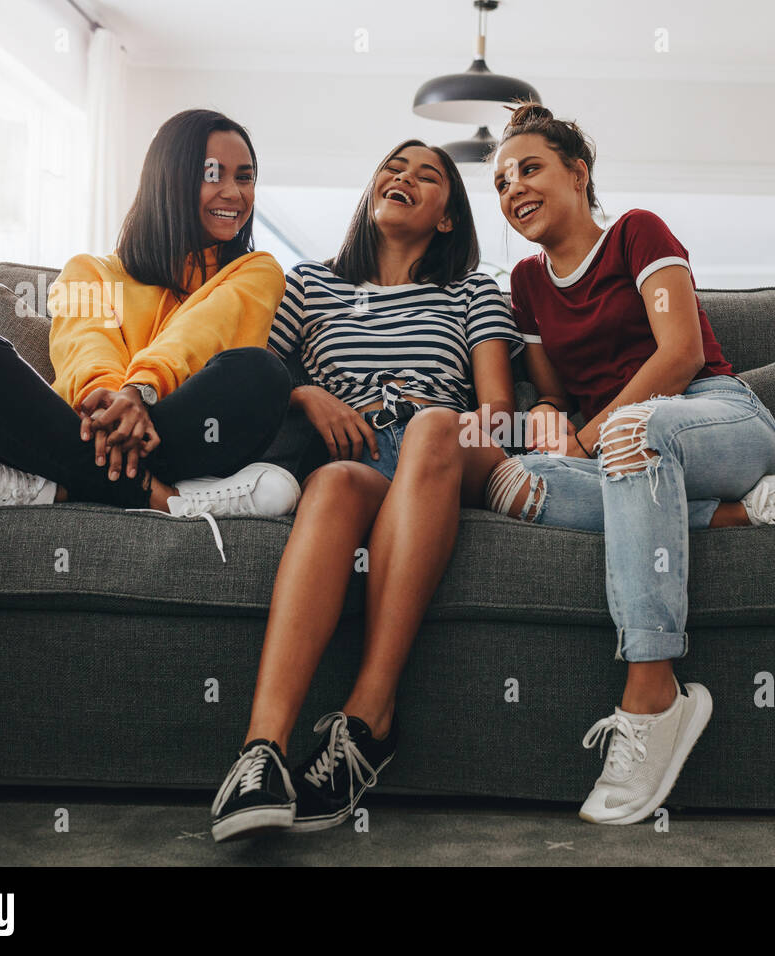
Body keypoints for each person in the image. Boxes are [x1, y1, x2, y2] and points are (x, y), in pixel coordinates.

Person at [483, 103, 775, 824]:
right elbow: (555, 389)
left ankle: (654, 694)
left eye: (529, 168)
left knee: (634, 430)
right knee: (513, 484)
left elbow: (680, 354)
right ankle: (756, 510)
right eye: (501, 181)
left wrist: (588, 437)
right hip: (634, 456)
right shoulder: (527, 284)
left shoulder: (636, 234)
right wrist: (546, 415)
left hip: (720, 418)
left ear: (578, 172)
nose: (514, 189)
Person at [210, 140, 523, 841]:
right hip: (356, 454)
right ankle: (261, 751)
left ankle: (370, 714)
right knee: (329, 486)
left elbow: (498, 410)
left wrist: (434, 424)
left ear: (446, 217)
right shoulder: (309, 284)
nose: (403, 176)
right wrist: (307, 394)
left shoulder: (473, 289)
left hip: (447, 449)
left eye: (427, 174)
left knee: (437, 429)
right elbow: (255, 379)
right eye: (394, 166)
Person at [0, 109, 299, 538]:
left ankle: (58, 486)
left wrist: (141, 391)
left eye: (245, 177)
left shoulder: (257, 269)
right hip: (89, 426)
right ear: (169, 179)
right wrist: (109, 403)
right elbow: (85, 342)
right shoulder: (89, 269)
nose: (234, 192)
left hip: (178, 435)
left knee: (263, 373)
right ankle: (166, 497)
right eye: (213, 174)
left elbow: (204, 330)